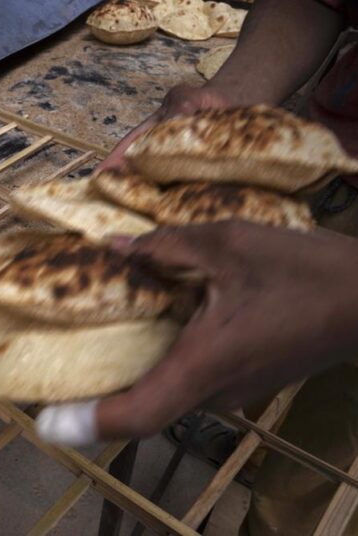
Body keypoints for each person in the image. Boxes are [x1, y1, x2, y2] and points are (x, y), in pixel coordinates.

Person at [35, 0, 358, 533]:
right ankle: (247, 450)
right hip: (316, 155)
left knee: (314, 465)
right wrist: (230, 97)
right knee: (248, 357)